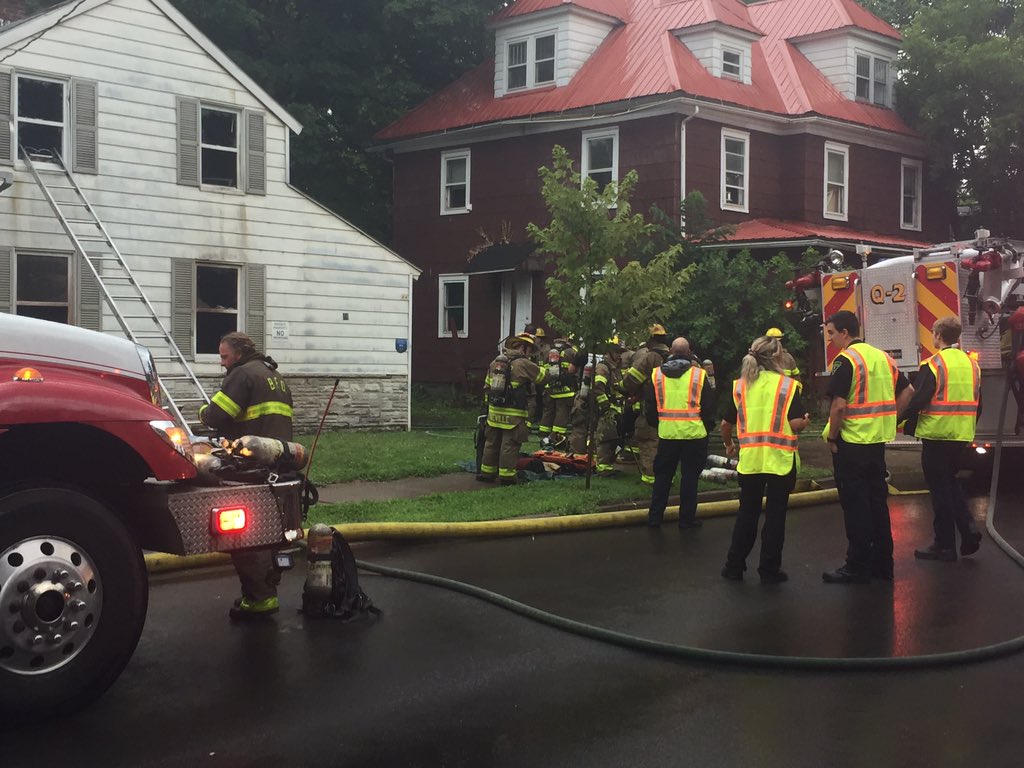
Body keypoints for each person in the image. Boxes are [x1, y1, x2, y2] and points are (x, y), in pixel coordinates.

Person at [199, 331, 294, 620]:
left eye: (224, 356)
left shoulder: (241, 375)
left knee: (246, 534)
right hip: (280, 463)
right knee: (273, 532)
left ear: (238, 354)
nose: (221, 362)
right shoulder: (274, 375)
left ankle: (259, 599)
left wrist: (202, 410)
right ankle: (268, 588)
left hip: (249, 467)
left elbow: (216, 415)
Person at [821, 310, 914, 584]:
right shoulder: (883, 358)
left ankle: (856, 565)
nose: (831, 339)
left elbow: (838, 406)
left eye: (831, 333)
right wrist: (890, 418)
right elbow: (908, 392)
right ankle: (883, 565)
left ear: (845, 333)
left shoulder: (846, 360)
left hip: (851, 445)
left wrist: (832, 437)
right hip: (876, 445)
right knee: (877, 504)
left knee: (856, 506)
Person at [720, 336, 810, 582]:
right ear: (775, 358)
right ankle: (769, 570)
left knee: (746, 514)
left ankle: (734, 566)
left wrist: (729, 445)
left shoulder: (740, 386)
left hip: (750, 463)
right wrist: (805, 421)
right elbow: (795, 424)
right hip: (780, 462)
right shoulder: (787, 386)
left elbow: (725, 425)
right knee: (775, 517)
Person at [901, 316, 983, 561]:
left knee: (939, 490)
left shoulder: (933, 364)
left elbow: (919, 399)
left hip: (937, 434)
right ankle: (968, 532)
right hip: (961, 434)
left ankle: (944, 544)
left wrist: (897, 420)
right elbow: (979, 403)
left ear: (938, 335)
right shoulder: (972, 365)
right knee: (949, 483)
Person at [645, 337, 716, 528]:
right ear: (689, 352)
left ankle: (655, 518)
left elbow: (650, 408)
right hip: (694, 435)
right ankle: (686, 519)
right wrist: (706, 427)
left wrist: (659, 425)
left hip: (667, 435)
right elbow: (709, 407)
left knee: (662, 477)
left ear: (670, 352)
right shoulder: (699, 375)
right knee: (690, 478)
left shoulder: (656, 375)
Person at [479, 333, 546, 485]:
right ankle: (507, 477)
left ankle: (487, 473)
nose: (530, 354)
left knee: (491, 443)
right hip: (513, 415)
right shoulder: (523, 363)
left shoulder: (495, 363)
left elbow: (487, 387)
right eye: (530, 350)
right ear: (523, 348)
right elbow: (544, 377)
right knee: (509, 445)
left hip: (494, 413)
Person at [621, 324, 672, 484]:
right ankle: (665, 476)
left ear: (650, 339)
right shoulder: (671, 356)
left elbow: (632, 379)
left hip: (651, 406)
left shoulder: (651, 357)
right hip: (671, 407)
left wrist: (621, 388)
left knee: (648, 439)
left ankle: (650, 478)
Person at [569, 336, 626, 474]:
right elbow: (598, 388)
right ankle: (595, 467)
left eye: (620, 352)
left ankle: (594, 464)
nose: (619, 355)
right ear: (608, 352)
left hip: (600, 406)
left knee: (602, 436)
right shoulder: (603, 367)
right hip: (595, 406)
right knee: (600, 436)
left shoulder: (614, 368)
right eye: (617, 352)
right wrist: (605, 406)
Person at [538, 337, 578, 451]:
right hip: (565, 391)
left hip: (549, 389)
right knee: (562, 415)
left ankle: (543, 436)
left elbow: (542, 370)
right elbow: (575, 369)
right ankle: (556, 439)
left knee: (548, 413)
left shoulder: (548, 352)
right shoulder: (571, 352)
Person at [766, 327, 802, 391]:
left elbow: (796, 377)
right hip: (784, 395)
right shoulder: (788, 357)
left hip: (779, 395)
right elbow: (797, 378)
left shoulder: (762, 357)